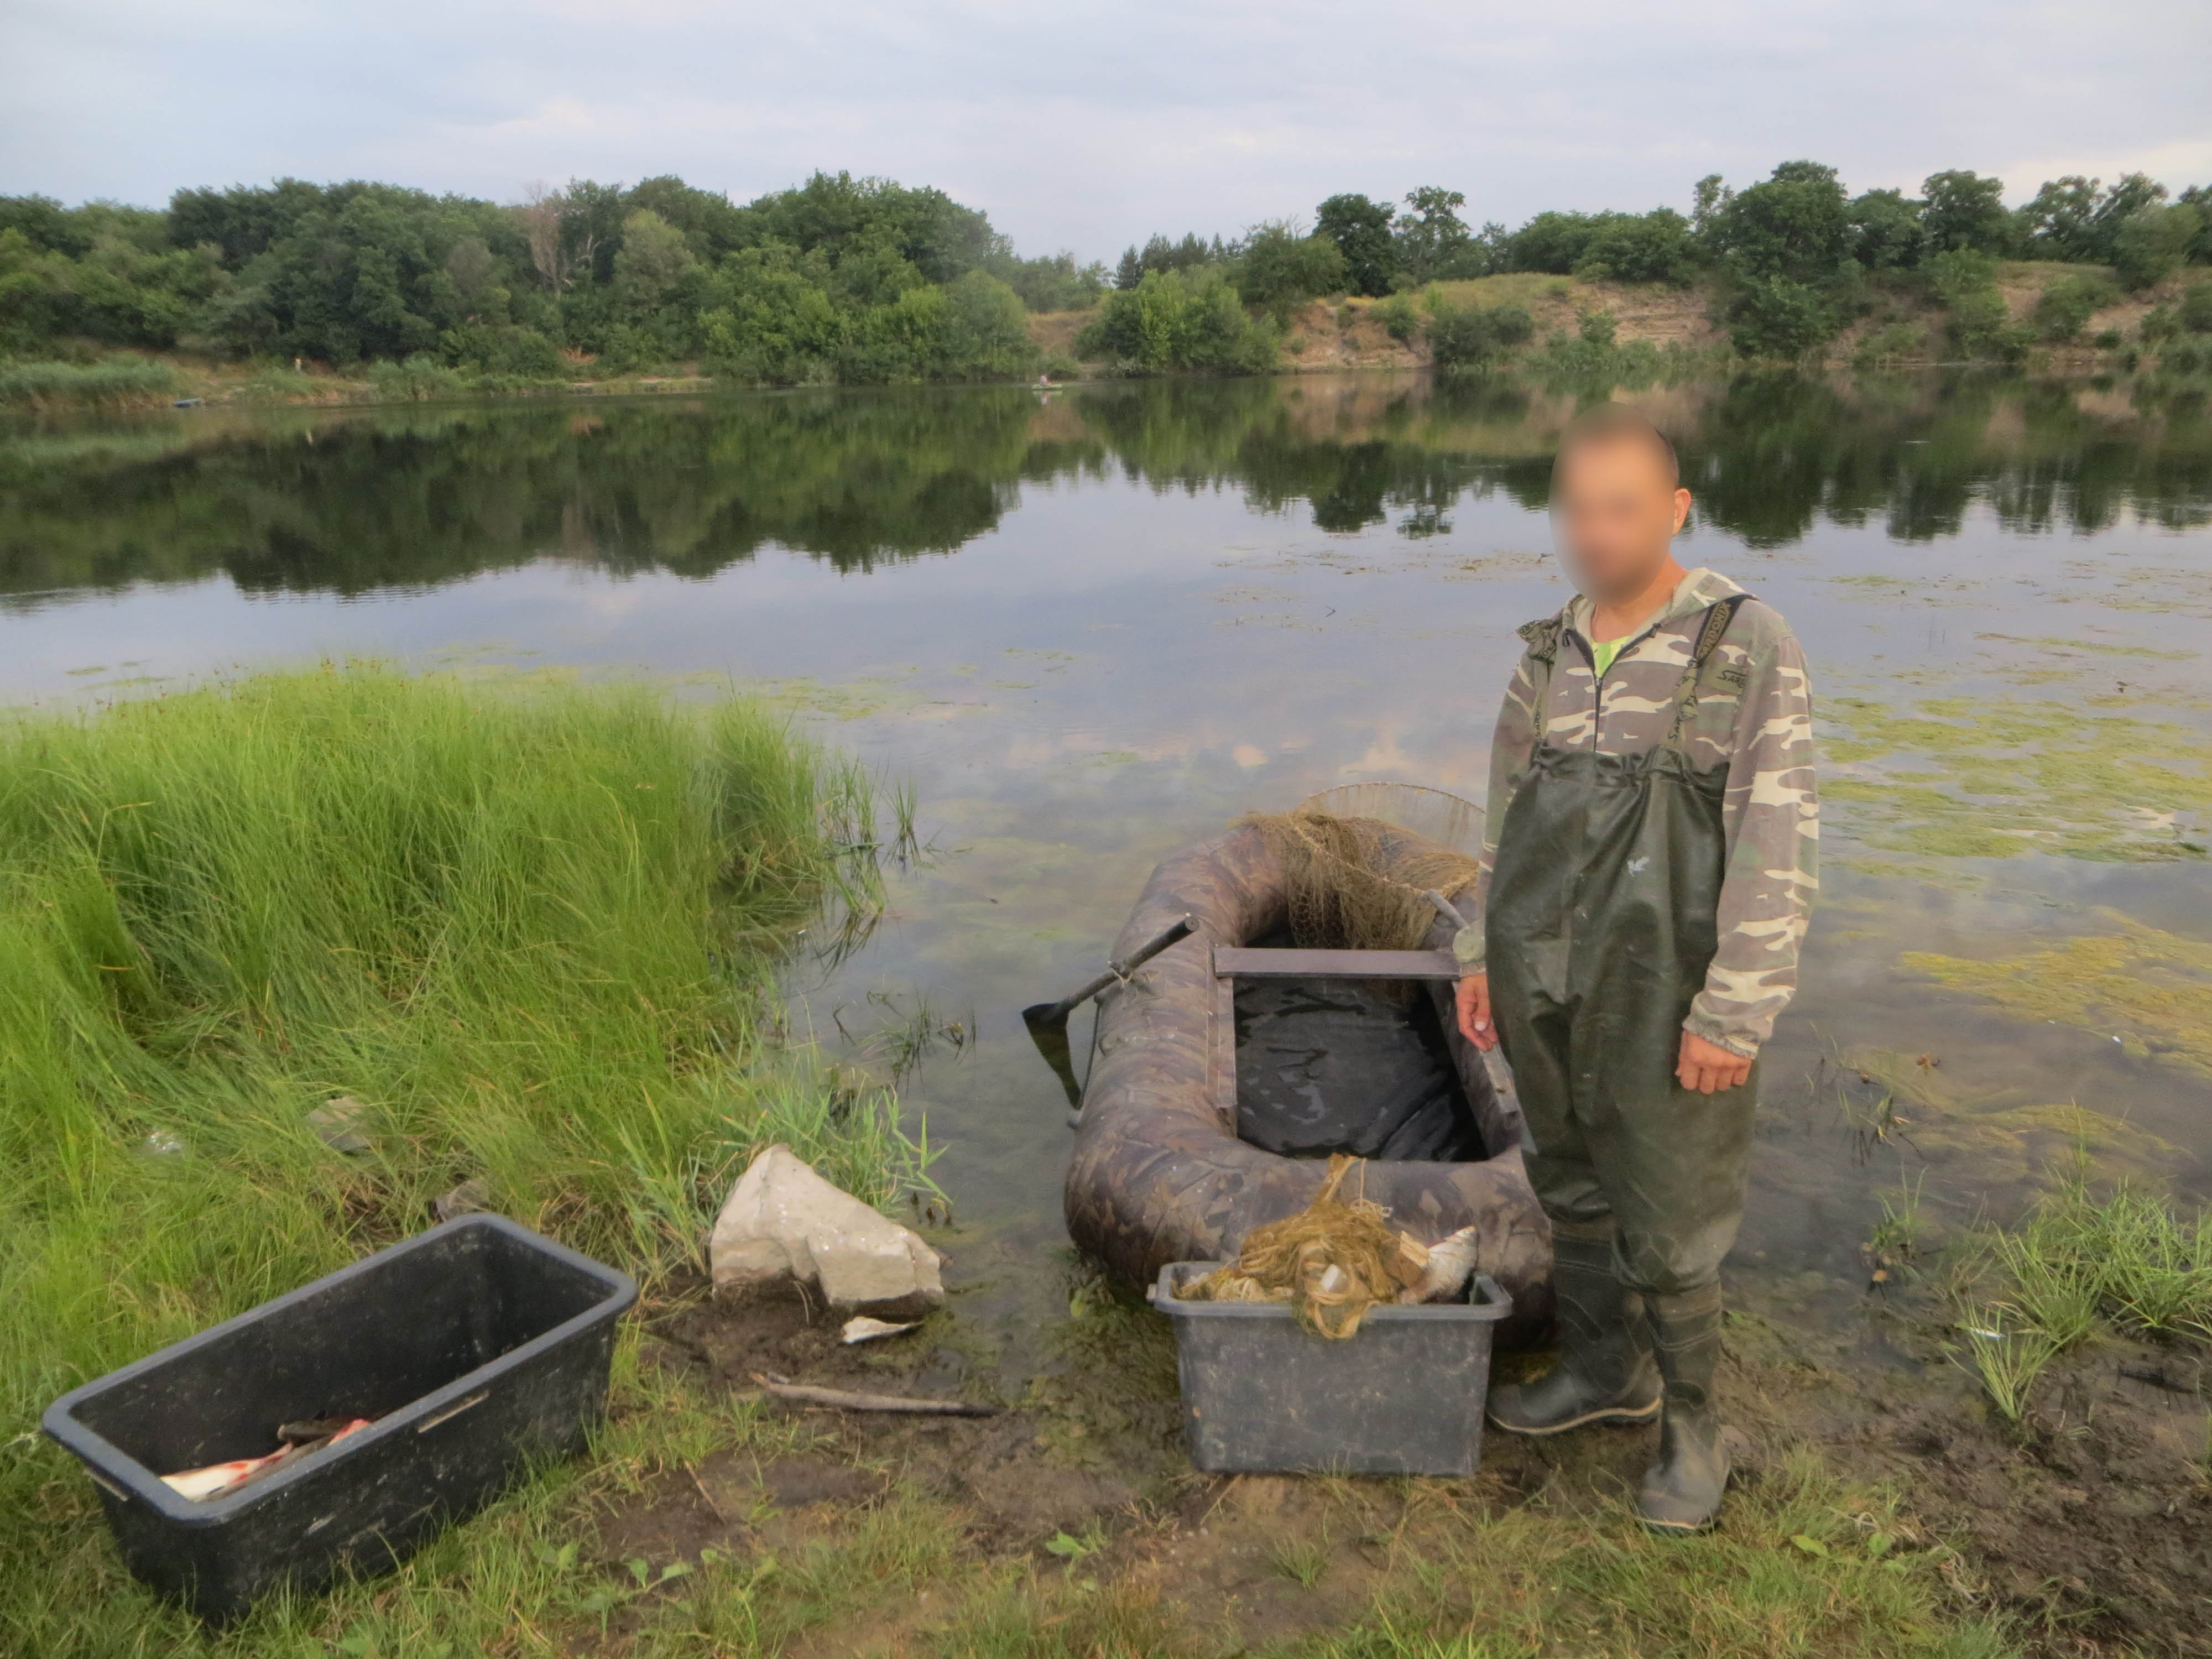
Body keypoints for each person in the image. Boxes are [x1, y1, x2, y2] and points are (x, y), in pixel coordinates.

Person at [1452, 403, 1817, 1533]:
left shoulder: (1739, 645)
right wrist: (1478, 952)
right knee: (1567, 1182)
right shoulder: (1545, 648)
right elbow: (1507, 815)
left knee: (1670, 1212)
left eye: (1621, 509)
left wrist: (1736, 1010)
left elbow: (1778, 835)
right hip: (1540, 971)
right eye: (1576, 510)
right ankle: (1603, 1373)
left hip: (1670, 986)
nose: (1595, 533)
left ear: (1672, 511)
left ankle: (1693, 1430)